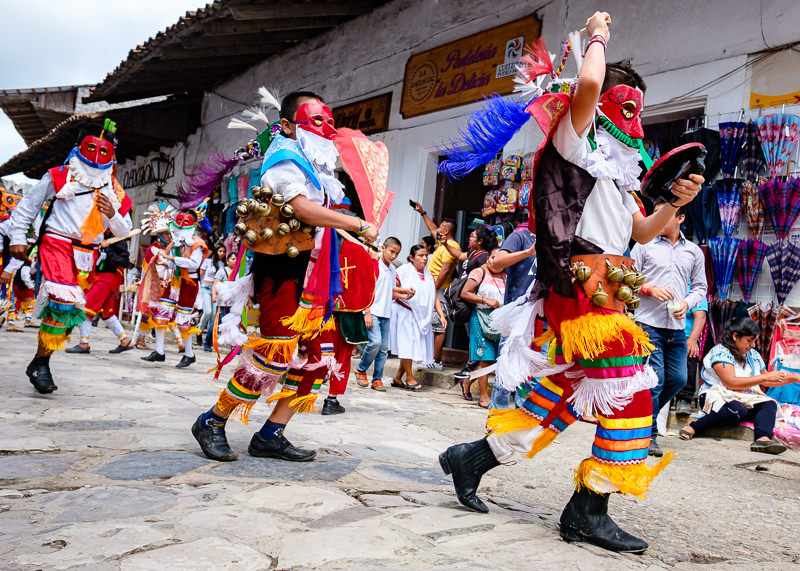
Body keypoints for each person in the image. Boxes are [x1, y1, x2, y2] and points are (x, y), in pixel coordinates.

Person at [437, 11, 704, 554]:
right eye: (626, 103)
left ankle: (473, 458)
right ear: (606, 99)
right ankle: (588, 509)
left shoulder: (618, 169)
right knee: (630, 389)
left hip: (607, 287)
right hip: (580, 285)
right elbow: (586, 82)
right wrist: (598, 35)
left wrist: (676, 200)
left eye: (639, 108)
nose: (634, 116)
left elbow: (641, 230)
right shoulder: (572, 140)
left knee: (559, 393)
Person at [191, 90, 378, 463]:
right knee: (275, 352)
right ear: (289, 125)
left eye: (328, 121)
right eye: (315, 121)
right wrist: (357, 223)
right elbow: (300, 209)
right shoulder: (283, 158)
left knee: (318, 356)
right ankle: (213, 420)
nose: (325, 128)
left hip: (317, 274)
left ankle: (271, 434)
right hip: (284, 270)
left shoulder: (319, 168)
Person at [8, 120, 133, 393]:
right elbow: (28, 207)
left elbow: (123, 230)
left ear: (112, 155)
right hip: (57, 243)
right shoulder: (58, 175)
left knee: (70, 313)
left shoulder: (114, 190)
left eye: (104, 151)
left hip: (88, 254)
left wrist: (111, 213)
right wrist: (18, 237)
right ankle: (42, 365)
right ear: (78, 148)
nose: (97, 155)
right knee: (63, 302)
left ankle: (40, 360)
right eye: (91, 148)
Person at [632, 201, 707, 457]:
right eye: (654, 214)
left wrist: (687, 303)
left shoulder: (694, 252)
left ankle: (641, 418)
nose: (656, 219)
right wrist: (649, 289)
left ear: (680, 218)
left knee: (678, 379)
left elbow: (700, 288)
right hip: (646, 322)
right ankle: (648, 435)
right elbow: (628, 279)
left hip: (676, 325)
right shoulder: (643, 245)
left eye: (663, 215)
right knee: (655, 379)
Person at [679, 317, 797, 454]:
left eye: (754, 341)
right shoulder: (720, 352)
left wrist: (795, 378)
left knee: (769, 404)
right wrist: (765, 377)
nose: (752, 345)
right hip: (717, 395)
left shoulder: (753, 355)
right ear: (735, 336)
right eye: (749, 340)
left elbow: (767, 381)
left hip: (745, 397)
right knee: (737, 410)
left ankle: (762, 438)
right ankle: (696, 426)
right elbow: (731, 382)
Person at [142, 209, 207, 368]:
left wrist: (171, 259)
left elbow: (193, 264)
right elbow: (174, 264)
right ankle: (159, 351)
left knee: (182, 320)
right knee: (161, 313)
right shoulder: (175, 243)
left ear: (193, 224)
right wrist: (165, 263)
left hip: (189, 285)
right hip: (174, 282)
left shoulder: (197, 243)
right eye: (178, 221)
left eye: (185, 222)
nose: (180, 225)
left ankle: (189, 354)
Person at [484, 222, 537, 409]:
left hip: (543, 318)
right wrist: (528, 253)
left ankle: (524, 423)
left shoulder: (556, 239)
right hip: (518, 315)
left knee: (533, 377)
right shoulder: (521, 236)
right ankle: (497, 422)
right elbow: (497, 262)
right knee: (506, 371)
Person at [411, 200, 460, 370]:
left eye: (440, 228)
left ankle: (436, 361)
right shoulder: (443, 243)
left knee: (439, 325)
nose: (436, 230)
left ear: (446, 231)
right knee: (432, 323)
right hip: (434, 289)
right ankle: (429, 357)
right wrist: (423, 212)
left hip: (439, 291)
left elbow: (445, 270)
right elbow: (432, 230)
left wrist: (431, 290)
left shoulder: (451, 246)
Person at [389, 244, 446, 390]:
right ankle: (409, 377)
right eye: (420, 256)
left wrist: (441, 315)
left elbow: (434, 298)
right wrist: (404, 293)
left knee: (411, 346)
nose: (424, 259)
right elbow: (392, 290)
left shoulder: (428, 275)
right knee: (407, 345)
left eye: (426, 255)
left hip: (421, 316)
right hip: (405, 312)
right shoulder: (403, 271)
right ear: (411, 258)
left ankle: (397, 378)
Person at [65, 234, 134, 354]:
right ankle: (125, 341)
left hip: (107, 279)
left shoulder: (117, 238)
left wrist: (107, 249)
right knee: (106, 313)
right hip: (97, 278)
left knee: (86, 309)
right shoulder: (98, 236)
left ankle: (84, 343)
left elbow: (124, 261)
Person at [459, 249, 506, 408]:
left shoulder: (506, 276)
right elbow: (465, 293)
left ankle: (468, 380)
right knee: (485, 358)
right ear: (488, 258)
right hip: (480, 318)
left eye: (500, 259)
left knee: (498, 358)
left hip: (500, 321)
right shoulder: (479, 273)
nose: (496, 262)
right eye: (493, 258)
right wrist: (486, 300)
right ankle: (484, 397)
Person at [355, 236, 403, 391]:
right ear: (383, 248)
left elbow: (388, 291)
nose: (394, 256)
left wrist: (404, 294)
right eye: (392, 251)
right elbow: (365, 289)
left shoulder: (392, 269)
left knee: (383, 349)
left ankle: (377, 379)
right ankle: (361, 368)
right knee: (374, 343)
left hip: (386, 312)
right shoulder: (374, 265)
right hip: (373, 311)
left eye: (397, 253)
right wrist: (367, 312)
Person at [134, 203, 175, 351]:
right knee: (148, 312)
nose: (168, 236)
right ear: (158, 235)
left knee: (169, 312)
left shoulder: (171, 249)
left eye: (169, 233)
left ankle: (179, 341)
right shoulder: (153, 249)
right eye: (165, 233)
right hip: (153, 284)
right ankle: (141, 339)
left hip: (168, 284)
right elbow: (161, 263)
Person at [675, 293, 708, 419]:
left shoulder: (694, 290)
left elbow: (700, 315)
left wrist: (693, 339)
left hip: (687, 336)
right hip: (666, 333)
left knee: (690, 353)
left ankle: (684, 399)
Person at [203, 252, 236, 351]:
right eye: (232, 259)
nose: (234, 261)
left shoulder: (239, 272)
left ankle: (235, 347)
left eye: (236, 259)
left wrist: (249, 302)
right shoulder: (222, 271)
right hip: (223, 303)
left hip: (235, 304)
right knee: (217, 324)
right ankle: (207, 341)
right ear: (227, 261)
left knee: (235, 324)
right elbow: (215, 285)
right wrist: (214, 296)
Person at [200, 244, 227, 351]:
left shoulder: (224, 264)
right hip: (206, 287)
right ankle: (199, 330)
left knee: (214, 316)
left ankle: (208, 339)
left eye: (224, 252)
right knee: (208, 312)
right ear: (216, 251)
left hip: (217, 290)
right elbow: (201, 274)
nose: (222, 253)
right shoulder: (208, 261)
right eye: (220, 251)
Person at [5, 253, 36, 332]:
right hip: (22, 286)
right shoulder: (26, 260)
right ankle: (27, 321)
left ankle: (11, 323)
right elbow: (25, 275)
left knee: (15, 303)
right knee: (31, 301)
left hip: (13, 284)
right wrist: (30, 285)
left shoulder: (14, 258)